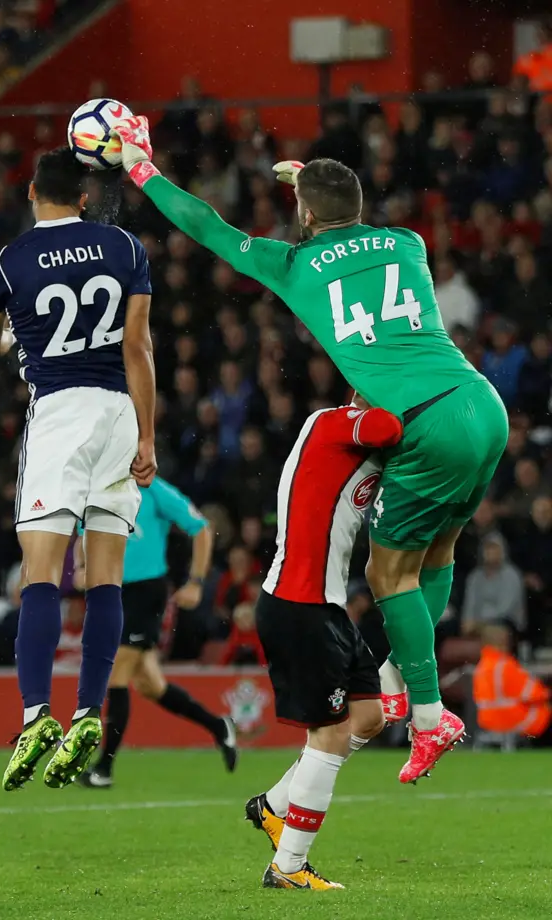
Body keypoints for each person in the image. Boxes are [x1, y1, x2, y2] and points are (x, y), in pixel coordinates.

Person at [110, 117, 509, 784]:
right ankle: (394, 678)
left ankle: (431, 714)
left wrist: (141, 169)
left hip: (422, 422)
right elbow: (351, 224)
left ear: (303, 213)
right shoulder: (407, 243)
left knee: (387, 578)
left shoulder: (290, 262)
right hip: (480, 402)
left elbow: (205, 224)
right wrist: (312, 185)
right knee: (436, 556)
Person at [0, 147, 156, 791]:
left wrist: (9, 338)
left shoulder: (6, 263)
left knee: (41, 573)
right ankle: (88, 710)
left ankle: (33, 717)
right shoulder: (124, 247)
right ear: (83, 196)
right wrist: (149, 436)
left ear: (31, 192)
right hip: (119, 413)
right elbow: (137, 346)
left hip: (58, 412)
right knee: (105, 575)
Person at [246, 397, 399, 889]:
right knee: (329, 735)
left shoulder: (347, 435)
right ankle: (288, 867)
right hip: (299, 603)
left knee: (370, 718)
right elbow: (389, 425)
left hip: (325, 606)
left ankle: (273, 806)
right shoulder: (337, 424)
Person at [77, 476, 237, 788]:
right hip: (111, 591)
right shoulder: (95, 490)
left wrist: (196, 582)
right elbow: (83, 538)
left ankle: (104, 768)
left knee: (116, 671)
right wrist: (81, 566)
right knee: (151, 684)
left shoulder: (152, 489)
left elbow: (201, 528)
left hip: (145, 592)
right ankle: (218, 726)